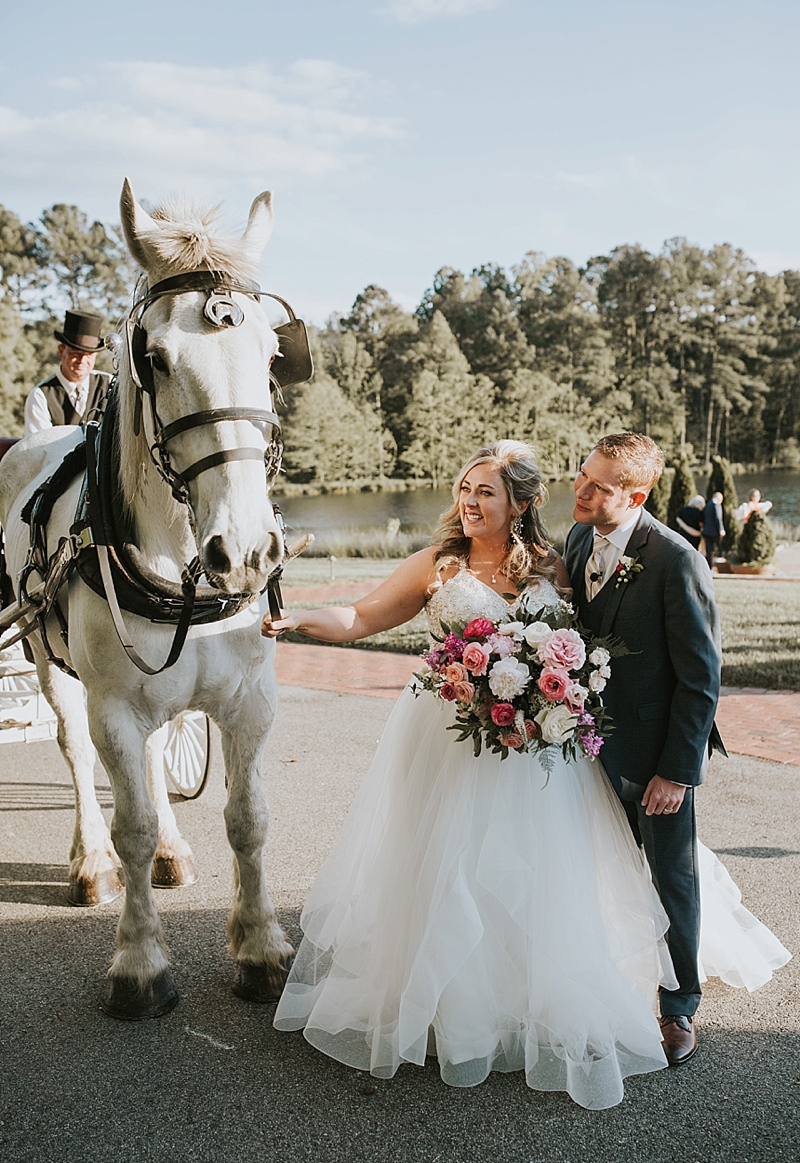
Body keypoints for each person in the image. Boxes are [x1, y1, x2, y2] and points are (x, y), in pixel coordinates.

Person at [263, 440, 788, 1109]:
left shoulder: (558, 562)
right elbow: (364, 615)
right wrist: (303, 617)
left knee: (556, 873)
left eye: (486, 491)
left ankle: (661, 1002)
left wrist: (574, 709)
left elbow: (629, 656)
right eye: (465, 488)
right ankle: (451, 998)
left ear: (520, 503)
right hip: (452, 741)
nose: (470, 501)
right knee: (449, 867)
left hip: (542, 747)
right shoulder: (443, 563)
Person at [564, 434, 788, 1067]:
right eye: (582, 475)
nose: (580, 491)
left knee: (672, 881)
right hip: (584, 748)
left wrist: (676, 773)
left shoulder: (675, 559)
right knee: (593, 871)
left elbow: (700, 678)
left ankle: (679, 1004)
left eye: (599, 486)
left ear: (635, 496)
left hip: (652, 759)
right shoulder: (580, 537)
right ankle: (604, 981)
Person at [24, 310, 112, 435]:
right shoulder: (40, 396)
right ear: (61, 351)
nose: (82, 361)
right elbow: (38, 448)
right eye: (75, 354)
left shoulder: (110, 386)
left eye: (89, 355)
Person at [701, 490, 726, 570]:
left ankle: (709, 567)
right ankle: (723, 566)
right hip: (715, 531)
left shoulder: (707, 505)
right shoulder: (716, 505)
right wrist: (721, 529)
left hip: (707, 531)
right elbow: (718, 518)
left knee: (709, 550)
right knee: (721, 548)